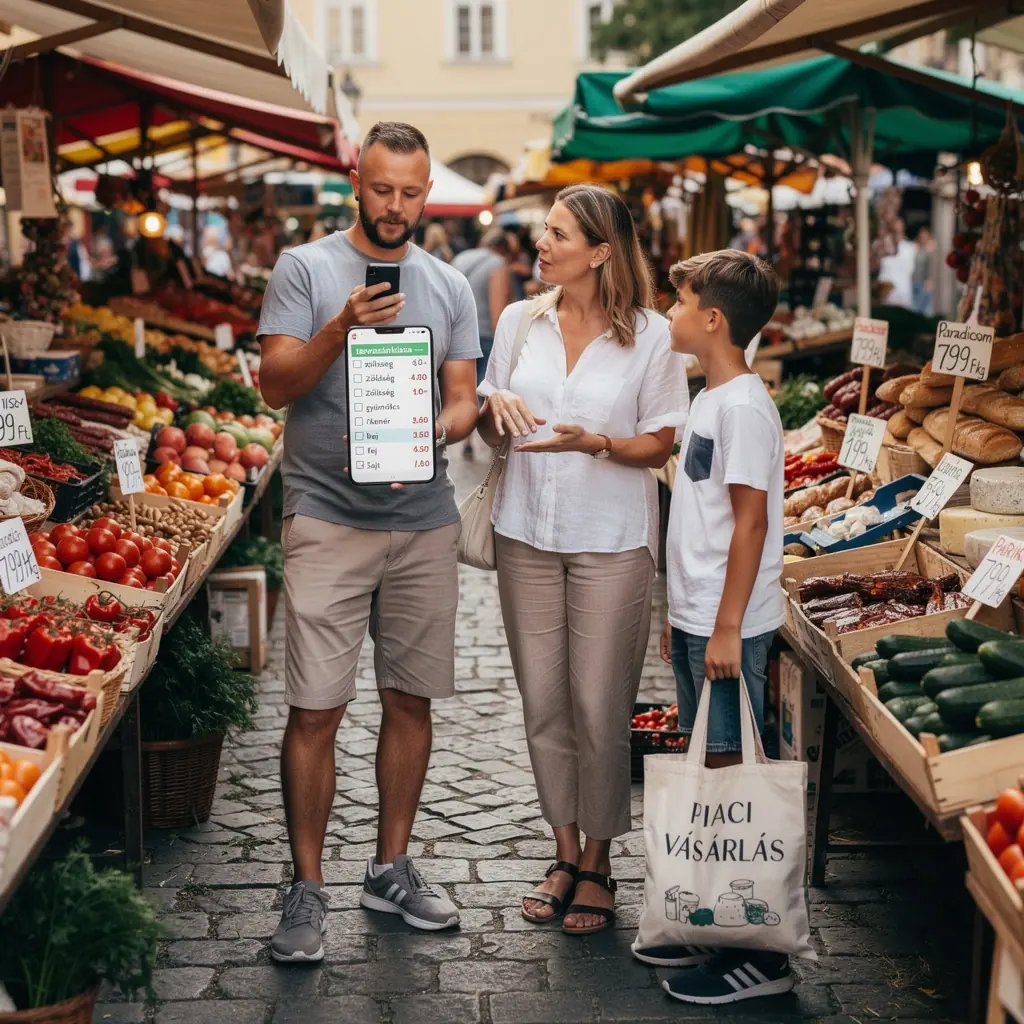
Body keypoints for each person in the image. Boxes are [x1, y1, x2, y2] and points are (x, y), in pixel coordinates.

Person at [256, 122, 482, 961]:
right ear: (357, 180)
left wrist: (434, 429)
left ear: (428, 191)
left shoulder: (450, 285)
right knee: (316, 707)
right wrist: (341, 328)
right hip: (325, 515)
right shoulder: (306, 270)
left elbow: (464, 398)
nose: (396, 206)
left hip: (421, 522)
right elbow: (275, 382)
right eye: (382, 188)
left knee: (410, 699)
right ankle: (306, 888)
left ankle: (391, 865)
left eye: (412, 191)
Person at [476, 184, 688, 936]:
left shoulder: (652, 335)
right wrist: (493, 419)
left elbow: (660, 442)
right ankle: (562, 851)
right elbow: (490, 417)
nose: (542, 243)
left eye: (558, 234)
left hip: (611, 541)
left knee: (601, 707)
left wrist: (595, 442)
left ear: (599, 251)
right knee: (544, 705)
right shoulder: (515, 321)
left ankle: (600, 859)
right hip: (524, 531)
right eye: (545, 231)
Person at [641, 249, 790, 1004]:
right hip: (702, 619)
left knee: (735, 784)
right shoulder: (709, 396)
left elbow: (750, 522)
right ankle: (717, 923)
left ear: (712, 320)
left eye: (678, 303)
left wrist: (727, 626)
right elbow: (696, 521)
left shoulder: (741, 407)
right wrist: (684, 616)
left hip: (730, 626)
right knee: (712, 780)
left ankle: (758, 959)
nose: (669, 315)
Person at [452, 228, 514, 454]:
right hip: (485, 334)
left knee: (461, 387)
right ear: (504, 249)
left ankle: (466, 441)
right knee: (484, 388)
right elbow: (498, 308)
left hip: (456, 332)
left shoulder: (461, 257)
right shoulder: (498, 264)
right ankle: (487, 437)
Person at [877, 217, 916, 310]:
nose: (896, 234)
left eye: (898, 230)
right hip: (886, 297)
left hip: (904, 296)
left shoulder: (910, 248)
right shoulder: (881, 247)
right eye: (894, 231)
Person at [912, 226, 936, 316]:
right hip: (914, 281)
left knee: (925, 308)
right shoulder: (915, 248)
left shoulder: (930, 249)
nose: (923, 238)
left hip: (925, 282)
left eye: (925, 236)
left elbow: (932, 266)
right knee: (915, 307)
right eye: (921, 236)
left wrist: (930, 280)